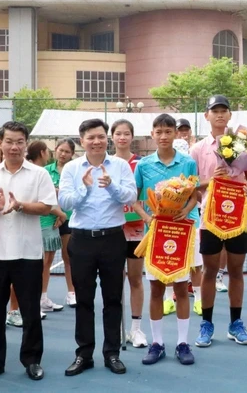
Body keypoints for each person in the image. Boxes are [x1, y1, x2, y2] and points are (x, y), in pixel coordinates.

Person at [0, 121, 57, 383]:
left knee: (31, 312)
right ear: (1, 142)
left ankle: (32, 360)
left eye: (20, 141)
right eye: (9, 141)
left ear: (26, 143)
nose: (14, 146)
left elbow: (46, 207)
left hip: (28, 254)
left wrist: (20, 206)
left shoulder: (38, 174)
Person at [59, 118, 137, 376]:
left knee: (113, 298)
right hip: (81, 239)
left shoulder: (121, 165)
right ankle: (84, 354)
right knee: (84, 299)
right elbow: (66, 202)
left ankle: (112, 353)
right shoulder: (71, 168)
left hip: (113, 239)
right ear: (82, 141)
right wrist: (85, 188)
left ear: (108, 139)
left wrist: (111, 186)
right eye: (91, 137)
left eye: (101, 136)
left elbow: (131, 196)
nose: (96, 141)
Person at [133, 114, 199, 365]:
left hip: (183, 234)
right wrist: (147, 219)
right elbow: (135, 199)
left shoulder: (188, 162)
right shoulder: (143, 165)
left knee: (182, 289)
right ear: (152, 134)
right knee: (156, 289)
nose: (163, 136)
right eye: (158, 131)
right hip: (156, 233)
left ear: (175, 134)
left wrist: (186, 209)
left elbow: (195, 194)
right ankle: (157, 343)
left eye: (168, 131)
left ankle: (183, 343)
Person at [191, 95, 247, 347]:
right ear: (207, 116)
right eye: (214, 111)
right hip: (210, 219)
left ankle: (235, 323)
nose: (219, 114)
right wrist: (211, 181)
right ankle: (206, 324)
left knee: (236, 270)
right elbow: (193, 186)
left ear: (230, 116)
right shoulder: (198, 149)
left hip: (238, 217)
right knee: (209, 270)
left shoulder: (244, 145)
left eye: (224, 111)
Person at [110, 120, 148, 347]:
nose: (122, 137)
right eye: (118, 133)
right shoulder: (106, 164)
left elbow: (143, 195)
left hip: (135, 232)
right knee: (114, 282)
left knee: (135, 279)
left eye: (126, 134)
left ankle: (136, 329)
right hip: (112, 230)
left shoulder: (141, 165)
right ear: (112, 137)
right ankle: (117, 329)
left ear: (132, 137)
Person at [25, 142, 66, 316]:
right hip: (40, 225)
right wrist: (61, 214)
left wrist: (58, 213)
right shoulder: (35, 173)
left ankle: (42, 299)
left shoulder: (42, 172)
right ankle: (34, 303)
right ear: (42, 153)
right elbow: (42, 201)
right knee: (38, 266)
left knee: (46, 265)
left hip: (50, 224)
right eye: (48, 152)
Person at [173, 137, 205, 318]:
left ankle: (199, 299)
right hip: (170, 222)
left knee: (195, 264)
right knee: (174, 260)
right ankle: (170, 297)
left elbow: (197, 196)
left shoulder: (191, 167)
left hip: (191, 221)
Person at [45, 138, 77, 307]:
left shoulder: (73, 171)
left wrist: (62, 213)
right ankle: (43, 296)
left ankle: (71, 293)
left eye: (67, 152)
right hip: (48, 218)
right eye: (61, 150)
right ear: (55, 150)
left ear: (72, 154)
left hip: (68, 218)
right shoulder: (45, 171)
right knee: (46, 260)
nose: (63, 154)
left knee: (68, 257)